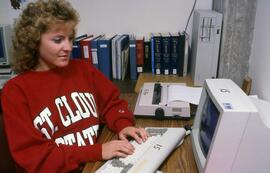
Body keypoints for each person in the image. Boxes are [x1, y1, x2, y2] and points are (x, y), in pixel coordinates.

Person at [1, 0, 148, 172]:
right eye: (58, 40)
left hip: (96, 165)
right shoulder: (15, 92)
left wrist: (123, 124)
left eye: (70, 38)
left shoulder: (82, 69)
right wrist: (98, 151)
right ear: (34, 42)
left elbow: (112, 103)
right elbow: (36, 157)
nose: (68, 47)